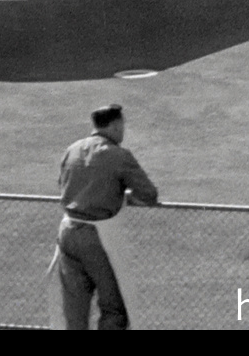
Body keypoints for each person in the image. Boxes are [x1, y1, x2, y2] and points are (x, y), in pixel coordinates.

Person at [55, 104, 159, 330]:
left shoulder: (72, 149)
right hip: (97, 238)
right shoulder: (118, 155)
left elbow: (63, 186)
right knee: (114, 305)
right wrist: (122, 196)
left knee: (74, 307)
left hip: (67, 232)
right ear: (114, 126)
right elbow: (149, 194)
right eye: (122, 126)